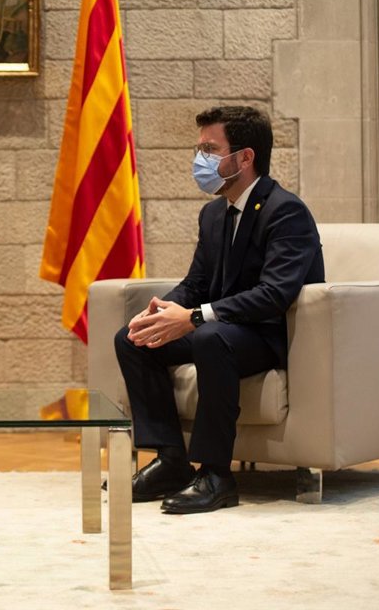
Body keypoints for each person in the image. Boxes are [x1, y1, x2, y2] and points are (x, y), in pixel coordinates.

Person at [114, 105, 324, 514]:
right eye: (199, 150)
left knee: (210, 338)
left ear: (245, 158)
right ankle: (171, 460)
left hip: (268, 335)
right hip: (224, 329)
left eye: (210, 149)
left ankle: (216, 475)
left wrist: (194, 317)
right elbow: (197, 283)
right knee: (134, 339)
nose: (200, 159)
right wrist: (162, 311)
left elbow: (274, 295)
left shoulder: (286, 211)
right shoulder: (213, 213)